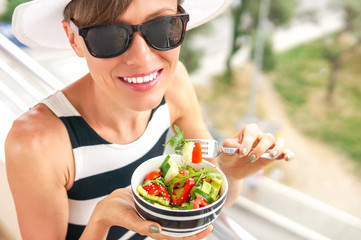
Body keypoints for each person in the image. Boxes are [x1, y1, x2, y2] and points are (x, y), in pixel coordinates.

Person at [5, 0, 295, 239]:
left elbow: (216, 199)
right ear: (74, 39)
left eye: (162, 27)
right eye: (108, 35)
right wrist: (100, 223)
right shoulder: (36, 142)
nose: (142, 59)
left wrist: (231, 172)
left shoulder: (174, 83)